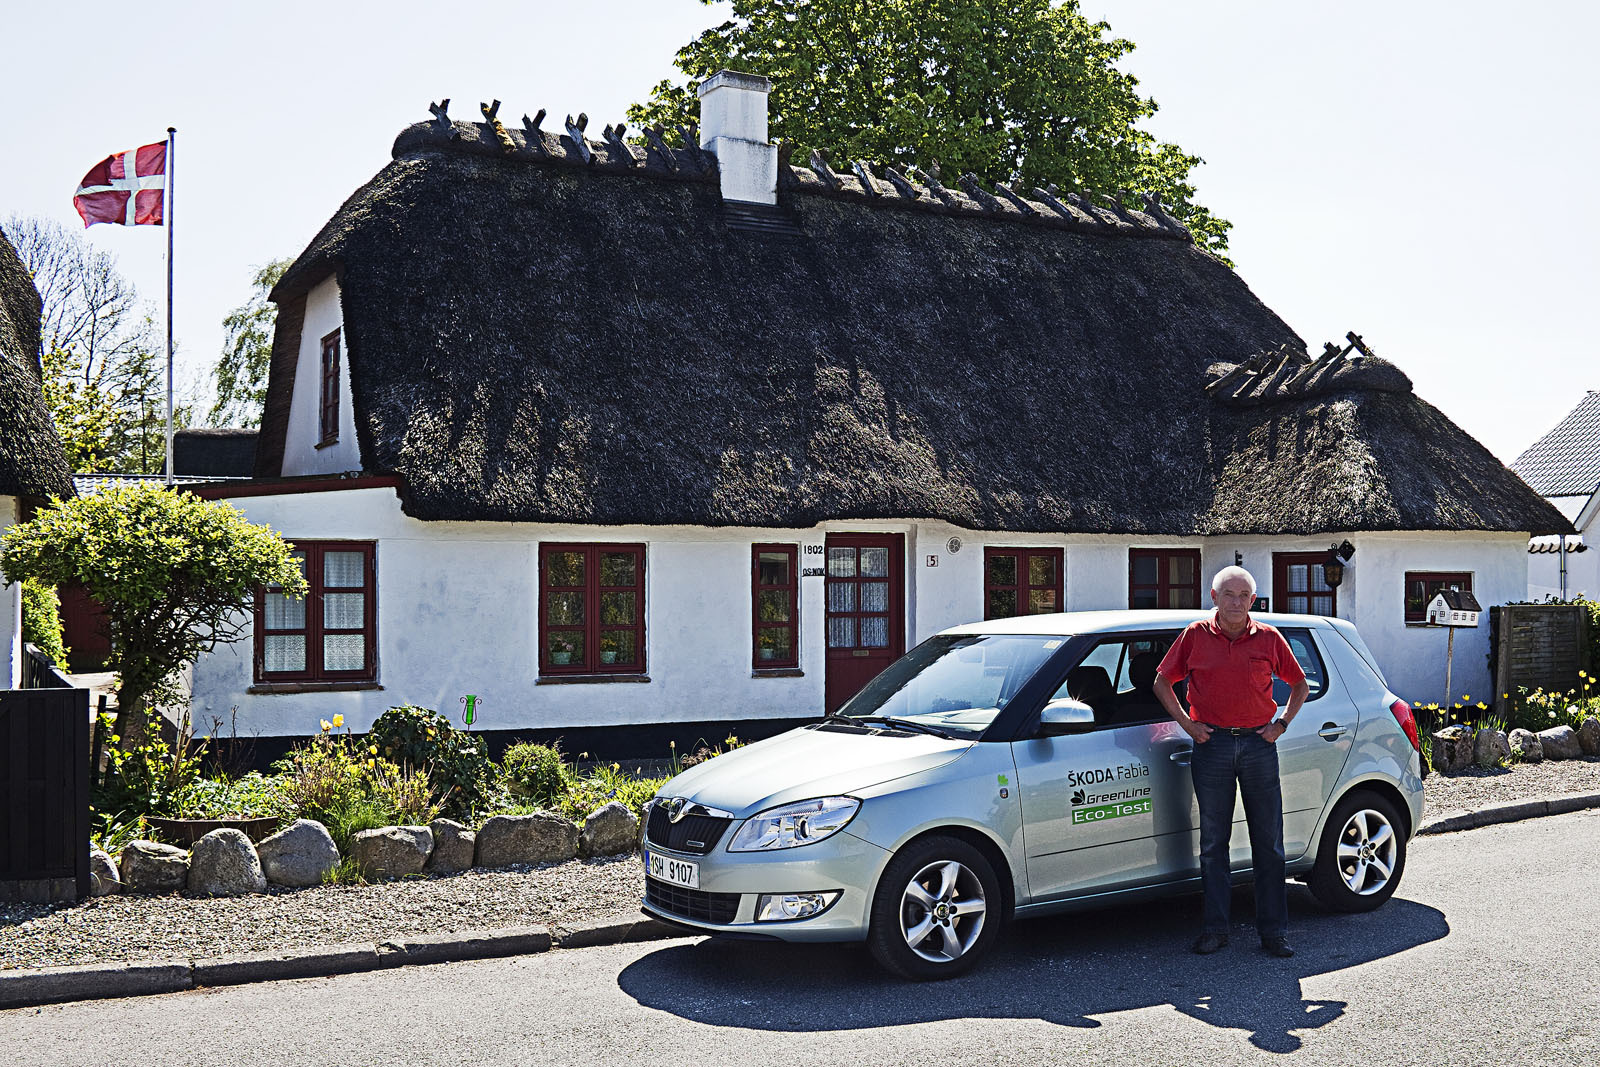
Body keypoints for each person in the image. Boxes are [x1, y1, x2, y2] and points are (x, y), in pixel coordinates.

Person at [1154, 566, 1309, 958]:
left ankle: (1274, 933)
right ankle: (1215, 929)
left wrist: (1282, 725)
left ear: (1252, 601)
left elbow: (1300, 684)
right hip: (1213, 746)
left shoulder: (1270, 639)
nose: (1236, 602)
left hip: (1259, 745)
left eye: (1243, 595)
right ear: (1214, 596)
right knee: (1213, 843)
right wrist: (1187, 724)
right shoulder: (1194, 636)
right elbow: (1161, 681)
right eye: (1229, 594)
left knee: (1269, 843)